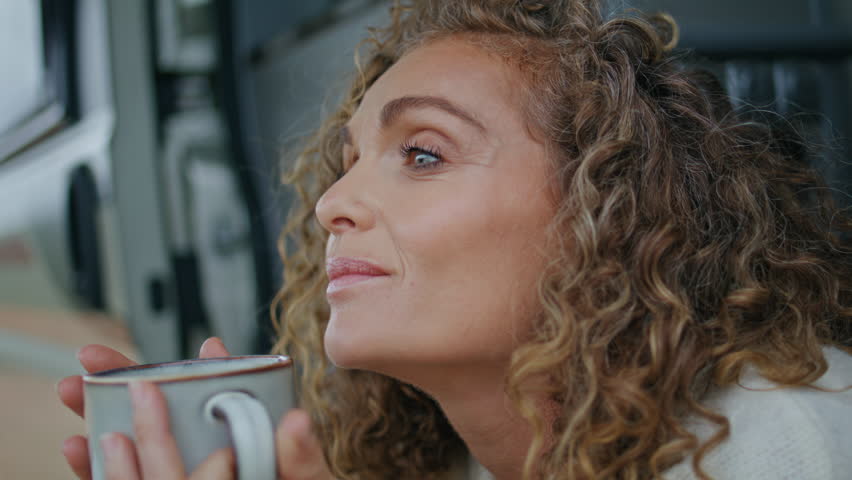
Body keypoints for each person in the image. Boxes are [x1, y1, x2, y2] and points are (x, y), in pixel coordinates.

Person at [57, 0, 852, 479]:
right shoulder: (437, 460)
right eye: (348, 163)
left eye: (424, 154)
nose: (331, 202)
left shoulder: (784, 443)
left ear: (603, 209)